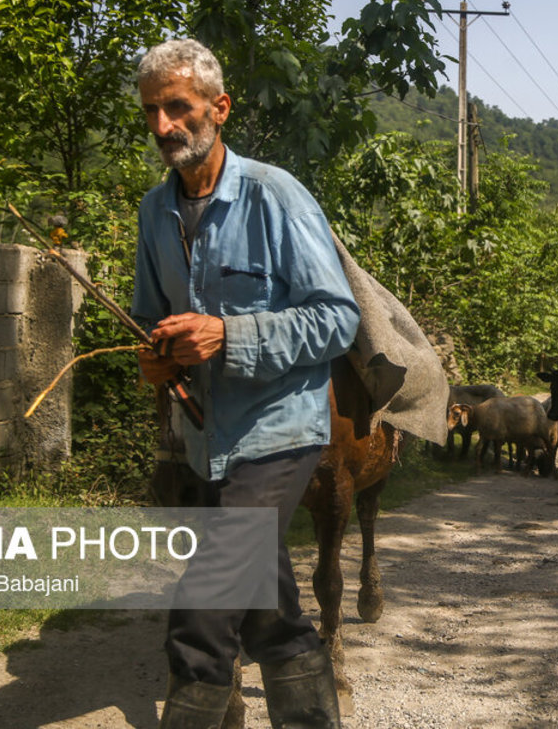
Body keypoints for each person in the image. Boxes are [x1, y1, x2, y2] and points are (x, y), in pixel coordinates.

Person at [131, 38, 358, 729]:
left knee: (202, 612)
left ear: (218, 108)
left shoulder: (275, 195)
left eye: (179, 108)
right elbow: (150, 320)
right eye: (152, 113)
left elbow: (336, 319)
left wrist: (229, 334)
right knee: (268, 613)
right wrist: (156, 359)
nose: (165, 126)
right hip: (205, 437)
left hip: (280, 431)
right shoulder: (153, 213)